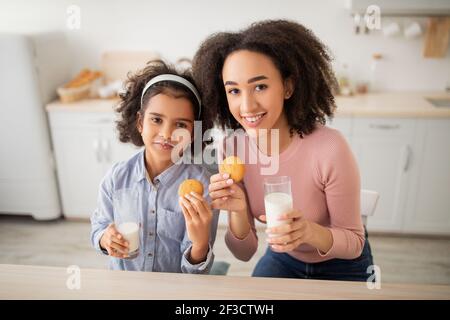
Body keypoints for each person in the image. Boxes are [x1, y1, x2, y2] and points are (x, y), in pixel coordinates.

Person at [192, 20, 374, 281]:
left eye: (260, 87)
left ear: (288, 87)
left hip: (344, 264)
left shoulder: (330, 148)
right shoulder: (232, 149)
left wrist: (308, 232)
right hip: (284, 258)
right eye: (234, 90)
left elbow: (354, 242)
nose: (247, 106)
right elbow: (243, 253)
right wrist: (238, 209)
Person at [90, 60, 219, 273]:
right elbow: (99, 226)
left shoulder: (202, 186)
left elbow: (197, 272)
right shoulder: (116, 177)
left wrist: (200, 244)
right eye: (156, 119)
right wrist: (105, 238)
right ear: (140, 122)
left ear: (194, 132)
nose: (167, 134)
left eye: (180, 124)